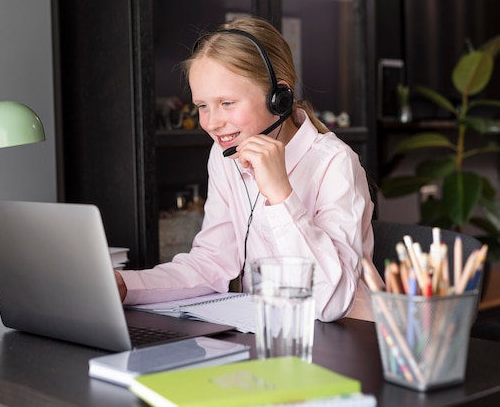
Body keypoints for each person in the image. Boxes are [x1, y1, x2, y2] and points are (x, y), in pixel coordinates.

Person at [115, 17, 383, 322]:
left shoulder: (335, 164)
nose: (212, 122)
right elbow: (213, 261)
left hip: (347, 339)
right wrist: (128, 285)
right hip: (268, 334)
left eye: (227, 103)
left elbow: (330, 303)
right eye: (202, 106)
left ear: (278, 98)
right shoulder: (224, 155)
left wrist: (281, 195)